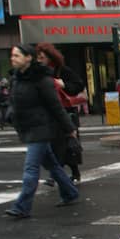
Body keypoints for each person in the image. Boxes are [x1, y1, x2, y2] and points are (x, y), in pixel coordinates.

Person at [4, 44, 79, 219]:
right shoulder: (16, 78)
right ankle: (70, 192)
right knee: (52, 165)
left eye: (17, 55)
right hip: (28, 127)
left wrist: (69, 129)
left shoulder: (42, 80)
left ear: (28, 58)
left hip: (41, 129)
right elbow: (14, 102)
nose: (13, 58)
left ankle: (22, 206)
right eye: (12, 55)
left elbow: (55, 106)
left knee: (31, 168)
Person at [35, 43, 85, 184]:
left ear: (50, 58)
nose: (40, 60)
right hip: (49, 113)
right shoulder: (39, 73)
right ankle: (63, 173)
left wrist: (64, 85)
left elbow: (78, 85)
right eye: (38, 58)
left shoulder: (62, 71)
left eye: (42, 57)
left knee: (67, 144)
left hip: (65, 112)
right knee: (56, 145)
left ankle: (63, 174)